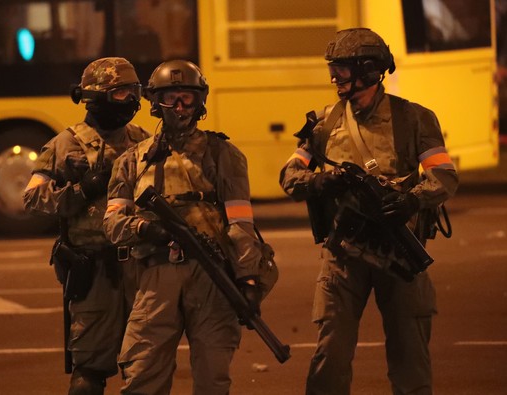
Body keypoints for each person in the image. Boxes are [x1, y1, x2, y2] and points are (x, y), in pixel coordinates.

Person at [279, 28, 459, 395]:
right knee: (331, 352)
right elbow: (289, 175)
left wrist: (412, 200)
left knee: (410, 355)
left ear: (369, 70)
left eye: (342, 70)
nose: (334, 78)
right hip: (342, 255)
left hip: (398, 252)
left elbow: (444, 176)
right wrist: (321, 182)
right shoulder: (323, 122)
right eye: (333, 69)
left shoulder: (414, 118)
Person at [103, 59, 263, 395]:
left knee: (212, 377)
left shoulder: (223, 154)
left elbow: (240, 222)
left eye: (187, 98)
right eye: (170, 98)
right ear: (154, 103)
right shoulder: (131, 161)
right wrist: (146, 230)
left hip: (211, 276)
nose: (179, 107)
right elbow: (113, 224)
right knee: (143, 374)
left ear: (200, 101)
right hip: (155, 277)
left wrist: (248, 279)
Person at [23, 57, 150, 395]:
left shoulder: (143, 141)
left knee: (147, 366)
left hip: (141, 266)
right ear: (95, 97)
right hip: (94, 270)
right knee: (90, 371)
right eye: (121, 93)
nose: (132, 101)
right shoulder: (65, 145)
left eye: (134, 91)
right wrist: (84, 189)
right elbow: (34, 199)